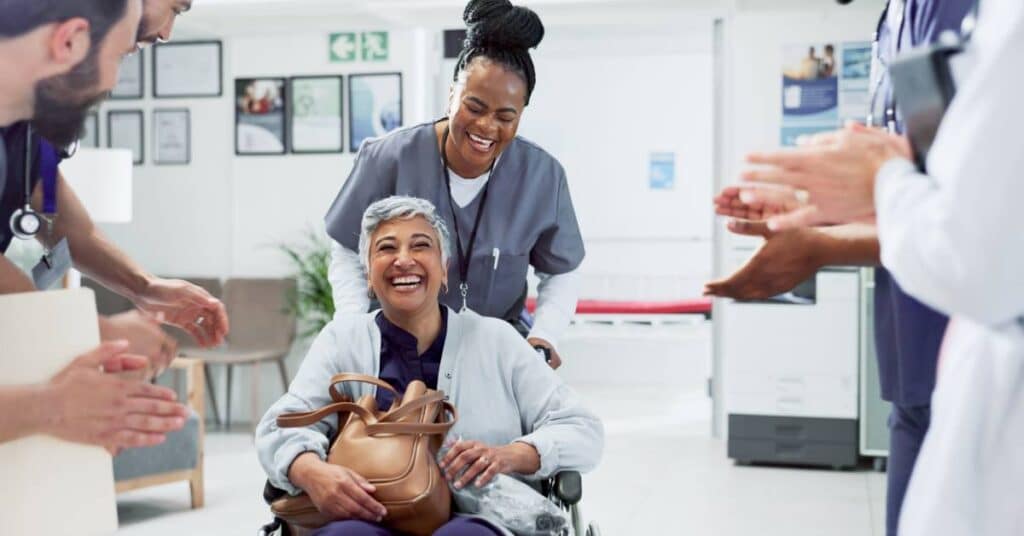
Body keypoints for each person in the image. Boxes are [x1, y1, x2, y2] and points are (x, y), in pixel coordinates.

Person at [721, 1, 1024, 533]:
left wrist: (871, 190)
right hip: (919, 358)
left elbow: (980, 238)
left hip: (975, 350)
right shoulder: (893, 21)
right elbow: (940, 193)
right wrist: (821, 218)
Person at [257, 196, 603, 536]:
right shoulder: (342, 341)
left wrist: (510, 455)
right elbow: (280, 426)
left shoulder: (497, 341)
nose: (403, 260)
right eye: (386, 248)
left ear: (444, 269)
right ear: (367, 275)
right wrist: (311, 472)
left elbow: (583, 430)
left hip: (479, 518)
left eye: (420, 246)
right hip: (369, 516)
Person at [324, 0, 584, 369]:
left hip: (495, 357)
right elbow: (347, 250)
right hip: (393, 352)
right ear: (451, 95)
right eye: (474, 108)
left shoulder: (543, 177)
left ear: (521, 114)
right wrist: (352, 323)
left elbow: (561, 269)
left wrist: (545, 334)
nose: (486, 127)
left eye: (505, 117)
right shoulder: (389, 158)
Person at [0, 0, 189, 452]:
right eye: (122, 57)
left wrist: (141, 288)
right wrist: (56, 397)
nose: (112, 83)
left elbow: (51, 207)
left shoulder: (23, 133)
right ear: (70, 40)